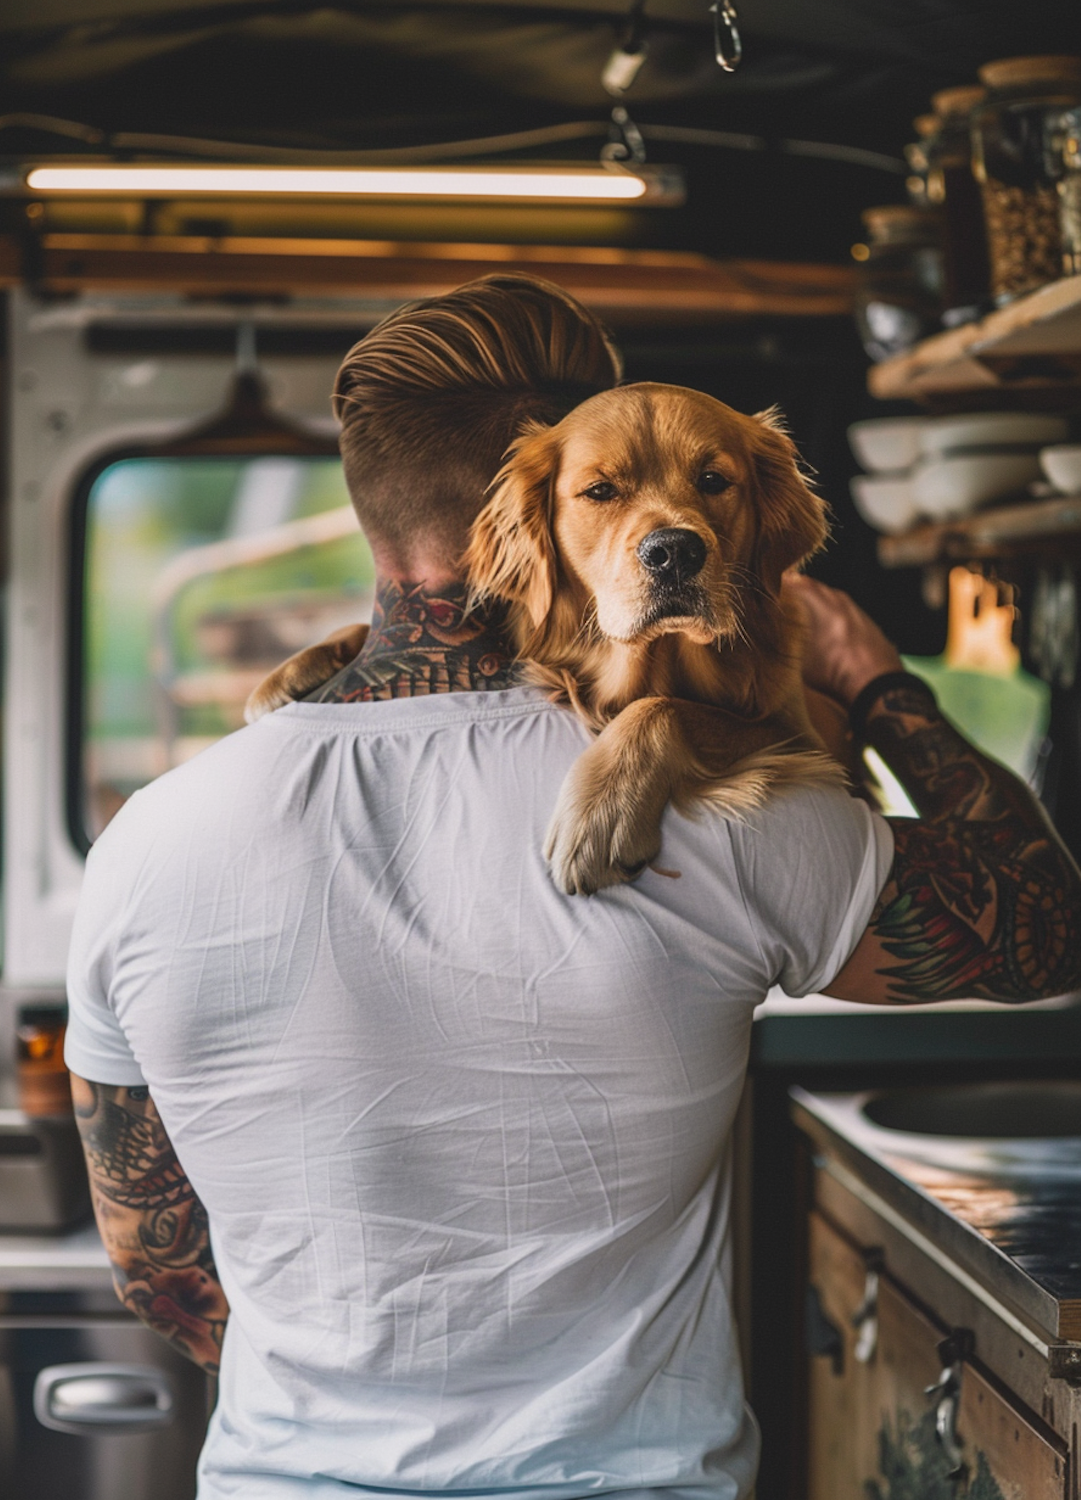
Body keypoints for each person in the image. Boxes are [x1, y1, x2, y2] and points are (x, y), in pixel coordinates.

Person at [65, 273, 1081, 1500]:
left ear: (368, 498)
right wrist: (876, 683)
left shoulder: (145, 844)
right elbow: (1045, 927)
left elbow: (157, 1271)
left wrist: (340, 1413)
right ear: (536, 503)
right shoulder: (727, 815)